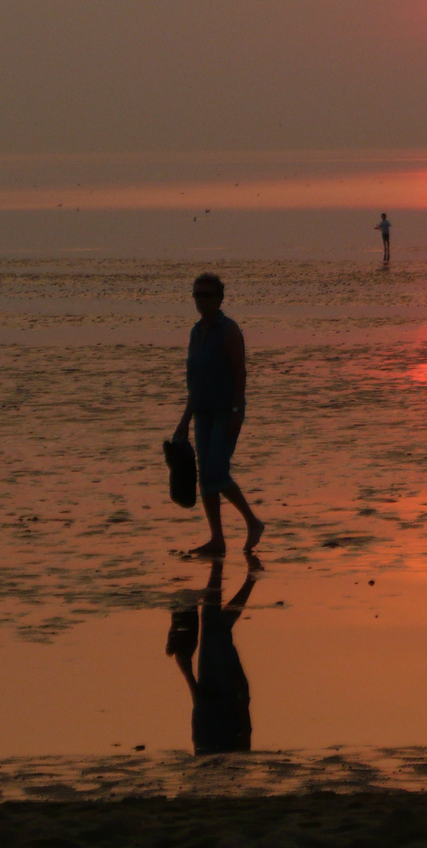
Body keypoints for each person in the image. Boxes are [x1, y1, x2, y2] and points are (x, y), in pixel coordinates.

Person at [173, 273, 264, 557]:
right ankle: (217, 539)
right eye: (197, 295)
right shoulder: (196, 332)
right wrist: (184, 420)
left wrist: (236, 410)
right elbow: (194, 380)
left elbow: (240, 371)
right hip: (201, 411)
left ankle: (252, 522)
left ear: (219, 298)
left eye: (207, 295)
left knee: (216, 472)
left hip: (226, 410)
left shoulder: (229, 329)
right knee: (205, 478)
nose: (202, 300)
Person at [167, 557, 256, 754]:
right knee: (216, 628)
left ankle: (222, 566)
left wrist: (187, 672)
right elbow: (239, 723)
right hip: (230, 694)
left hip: (215, 694)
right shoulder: (217, 750)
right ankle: (237, 571)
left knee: (212, 623)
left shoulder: (204, 750)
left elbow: (200, 707)